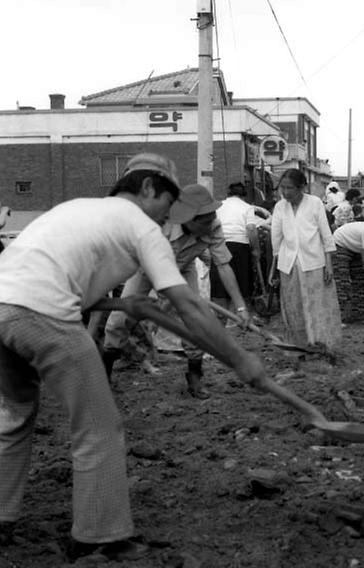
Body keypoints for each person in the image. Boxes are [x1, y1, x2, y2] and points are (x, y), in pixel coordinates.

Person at [0, 153, 291, 561]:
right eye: (168, 204)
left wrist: (125, 306)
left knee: (14, 418)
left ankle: (2, 518)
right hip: (44, 315)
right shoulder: (143, 227)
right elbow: (188, 307)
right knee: (99, 426)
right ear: (150, 188)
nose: (169, 215)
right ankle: (98, 536)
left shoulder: (75, 209)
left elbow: (60, 276)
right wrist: (242, 360)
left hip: (3, 309)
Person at [102, 184, 252, 398]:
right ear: (188, 219)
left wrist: (240, 307)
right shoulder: (158, 224)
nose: (209, 223)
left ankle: (195, 379)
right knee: (119, 319)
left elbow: (224, 266)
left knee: (193, 320)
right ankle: (105, 374)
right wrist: (163, 302)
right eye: (204, 220)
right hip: (145, 267)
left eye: (211, 217)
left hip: (183, 267)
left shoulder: (213, 226)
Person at [269, 169, 341, 353]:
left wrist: (329, 265)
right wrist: (274, 269)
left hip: (314, 263)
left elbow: (326, 235)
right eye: (282, 188)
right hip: (289, 264)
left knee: (317, 306)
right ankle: (298, 348)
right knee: (293, 308)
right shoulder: (280, 207)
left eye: (289, 188)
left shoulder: (315, 203)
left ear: (301, 187)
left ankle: (322, 345)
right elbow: (276, 239)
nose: (285, 192)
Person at [210, 182, 260, 315]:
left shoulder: (219, 206)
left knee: (220, 285)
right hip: (240, 247)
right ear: (243, 195)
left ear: (228, 193)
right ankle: (241, 315)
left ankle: (221, 315)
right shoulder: (247, 207)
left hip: (220, 244)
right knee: (242, 283)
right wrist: (256, 250)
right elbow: (251, 229)